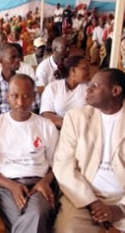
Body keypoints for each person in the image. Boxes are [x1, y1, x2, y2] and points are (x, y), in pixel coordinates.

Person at [0, 74, 59, 232]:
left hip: (38, 185)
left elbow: (56, 165)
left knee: (36, 213)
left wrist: (44, 182)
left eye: (26, 96)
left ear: (34, 97)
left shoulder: (46, 126)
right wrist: (12, 186)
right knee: (22, 218)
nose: (20, 103)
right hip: (5, 185)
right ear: (7, 97)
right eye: (15, 96)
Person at [53, 68, 125, 232]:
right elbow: (63, 166)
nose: (88, 89)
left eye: (95, 85)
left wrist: (120, 209)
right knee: (69, 229)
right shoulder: (76, 118)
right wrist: (93, 204)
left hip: (122, 198)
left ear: (115, 91)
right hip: (84, 197)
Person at [0, 44, 40, 118]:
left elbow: (34, 108)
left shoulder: (27, 82)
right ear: (1, 60)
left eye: (18, 56)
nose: (17, 60)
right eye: (12, 57)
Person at [40, 56, 90, 128]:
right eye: (85, 68)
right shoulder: (53, 87)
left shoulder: (89, 88)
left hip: (82, 130)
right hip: (58, 130)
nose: (89, 71)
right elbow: (46, 114)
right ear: (73, 70)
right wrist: (67, 127)